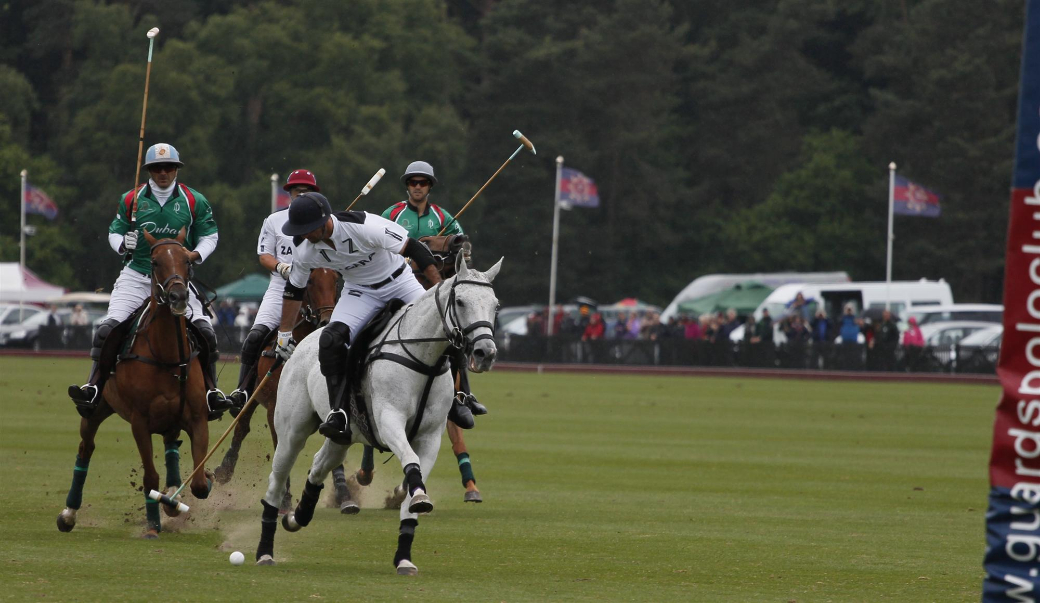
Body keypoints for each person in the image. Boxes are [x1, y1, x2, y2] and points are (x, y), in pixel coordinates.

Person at [68, 143, 230, 418]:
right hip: (137, 275)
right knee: (108, 329)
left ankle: (211, 392)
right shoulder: (131, 199)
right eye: (157, 168)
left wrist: (194, 254)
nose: (163, 173)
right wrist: (123, 244)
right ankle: (94, 386)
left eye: (169, 168)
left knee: (205, 331)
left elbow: (210, 235)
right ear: (149, 171)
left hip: (175, 279)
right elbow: (114, 231)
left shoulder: (194, 200)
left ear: (177, 169)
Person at [272, 191, 441, 446]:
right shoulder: (304, 249)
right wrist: (284, 334)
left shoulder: (364, 226)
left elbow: (415, 249)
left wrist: (439, 291)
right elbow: (294, 290)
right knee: (330, 340)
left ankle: (462, 396)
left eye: (308, 228)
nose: (304, 234)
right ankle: (338, 412)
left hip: (399, 281)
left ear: (324, 221)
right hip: (359, 292)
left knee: (442, 324)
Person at [379, 161, 486, 499]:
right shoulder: (392, 214)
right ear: (406, 185)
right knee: (375, 326)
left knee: (455, 340)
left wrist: (449, 247)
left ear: (430, 186)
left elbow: (463, 251)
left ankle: (462, 395)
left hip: (432, 289)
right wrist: (409, 258)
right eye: (413, 182)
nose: (417, 187)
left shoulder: (444, 217)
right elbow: (377, 248)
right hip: (398, 287)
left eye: (423, 182)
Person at [227, 169, 320, 412]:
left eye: (307, 191)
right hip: (281, 286)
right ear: (289, 193)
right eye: (297, 190)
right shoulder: (274, 221)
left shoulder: (324, 220)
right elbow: (264, 256)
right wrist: (281, 267)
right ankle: (243, 392)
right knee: (255, 337)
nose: (301, 194)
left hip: (315, 289)